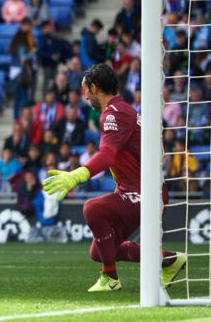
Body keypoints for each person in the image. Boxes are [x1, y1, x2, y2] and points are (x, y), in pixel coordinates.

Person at [43, 64, 187, 292]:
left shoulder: (113, 114)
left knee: (92, 209)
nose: (84, 96)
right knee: (98, 251)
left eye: (85, 90)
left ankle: (110, 278)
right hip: (139, 191)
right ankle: (169, 260)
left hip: (144, 194)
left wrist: (77, 175)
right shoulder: (122, 110)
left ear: (94, 87)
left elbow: (107, 155)